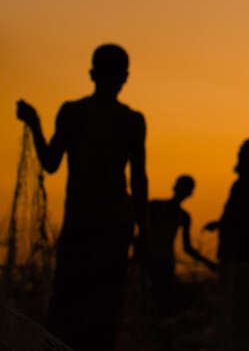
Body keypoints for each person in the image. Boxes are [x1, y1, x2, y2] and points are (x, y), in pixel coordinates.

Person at [15, 43, 148, 351]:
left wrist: (34, 122)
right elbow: (138, 180)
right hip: (113, 228)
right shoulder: (131, 121)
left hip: (83, 226)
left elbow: (50, 162)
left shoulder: (72, 113)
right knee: (104, 314)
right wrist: (144, 232)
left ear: (92, 74)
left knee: (67, 311)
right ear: (125, 77)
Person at [204, 139, 249, 351]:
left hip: (245, 262)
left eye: (243, 152)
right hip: (244, 259)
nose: (239, 156)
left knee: (241, 319)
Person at [147, 175, 216, 316]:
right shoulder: (158, 207)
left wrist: (208, 263)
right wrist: (209, 263)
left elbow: (187, 248)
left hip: (161, 261)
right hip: (153, 260)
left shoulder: (178, 214)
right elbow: (187, 248)